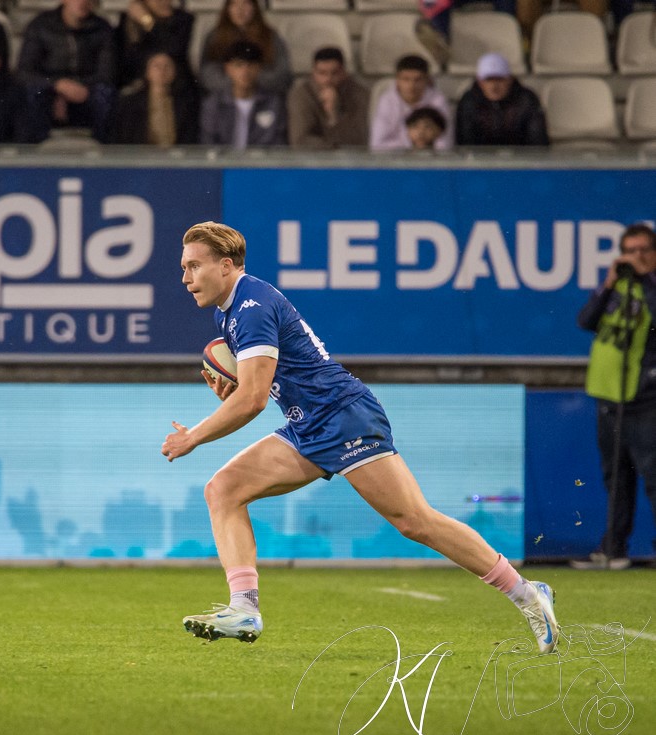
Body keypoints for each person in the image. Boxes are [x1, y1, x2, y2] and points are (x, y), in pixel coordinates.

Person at [161, 221, 560, 654]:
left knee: (415, 521)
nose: (185, 278)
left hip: (343, 417)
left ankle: (526, 592)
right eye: (184, 267)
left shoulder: (251, 307)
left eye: (193, 266)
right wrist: (234, 386)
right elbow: (260, 385)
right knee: (223, 490)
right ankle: (244, 609)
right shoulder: (231, 308)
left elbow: (254, 400)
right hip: (308, 424)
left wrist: (195, 436)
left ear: (225, 265)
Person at [571, 223, 656, 571]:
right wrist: (608, 284)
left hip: (646, 397)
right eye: (629, 250)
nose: (635, 257)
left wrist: (645, 279)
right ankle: (613, 548)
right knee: (615, 477)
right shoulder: (616, 286)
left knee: (653, 475)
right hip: (608, 395)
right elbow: (586, 320)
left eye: (642, 251)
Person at [16, 0, 116, 142]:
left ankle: (105, 153)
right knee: (32, 93)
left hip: (86, 91)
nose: (82, 2)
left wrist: (75, 88)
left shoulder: (101, 28)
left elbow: (107, 72)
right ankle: (33, 153)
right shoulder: (41, 25)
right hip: (49, 91)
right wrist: (57, 85)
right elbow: (25, 71)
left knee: (105, 93)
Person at [197, 0, 290, 101]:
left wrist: (251, 81)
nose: (240, 9)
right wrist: (236, 84)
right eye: (234, 4)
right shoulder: (215, 37)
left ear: (255, 8)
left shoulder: (270, 36)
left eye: (245, 4)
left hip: (264, 99)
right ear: (227, 8)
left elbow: (282, 74)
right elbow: (207, 74)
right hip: (224, 101)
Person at [199, 41, 285, 149]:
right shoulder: (213, 104)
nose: (245, 71)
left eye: (251, 65)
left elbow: (278, 145)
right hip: (223, 164)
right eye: (238, 65)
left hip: (261, 165)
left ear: (260, 68)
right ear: (228, 69)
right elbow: (208, 145)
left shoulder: (273, 102)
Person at [455, 52, 548, 147]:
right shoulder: (469, 102)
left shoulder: (526, 100)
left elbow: (538, 142)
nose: (494, 86)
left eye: (499, 79)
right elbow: (465, 144)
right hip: (481, 160)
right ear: (480, 82)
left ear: (510, 80)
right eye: (489, 79)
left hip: (521, 160)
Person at [110, 51, 198, 145]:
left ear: (174, 71)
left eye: (167, 66)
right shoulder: (130, 103)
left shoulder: (186, 103)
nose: (162, 71)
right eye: (157, 66)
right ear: (147, 72)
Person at [286, 47, 368, 149]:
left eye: (334, 73)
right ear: (313, 73)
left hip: (351, 160)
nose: (328, 79)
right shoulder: (301, 95)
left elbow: (360, 139)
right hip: (311, 161)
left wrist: (333, 115)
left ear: (343, 72)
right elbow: (300, 141)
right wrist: (333, 148)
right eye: (322, 73)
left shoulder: (359, 93)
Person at [370, 54, 453, 151]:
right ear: (397, 80)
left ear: (427, 80)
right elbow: (377, 145)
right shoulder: (387, 101)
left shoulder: (438, 101)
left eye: (417, 80)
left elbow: (445, 144)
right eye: (406, 79)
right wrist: (411, 143)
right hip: (394, 161)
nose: (411, 86)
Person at [113, 0, 195, 88]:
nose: (164, 2)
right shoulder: (128, 22)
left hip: (174, 87)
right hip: (137, 87)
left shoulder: (183, 19)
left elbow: (173, 49)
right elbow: (125, 60)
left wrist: (148, 22)